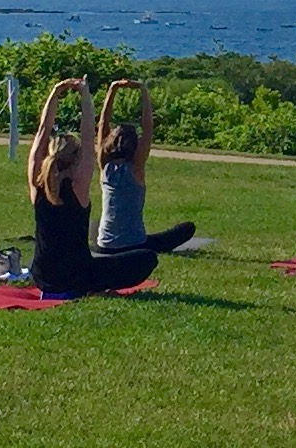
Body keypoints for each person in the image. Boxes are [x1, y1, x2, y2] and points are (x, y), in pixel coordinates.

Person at [28, 78, 158, 295]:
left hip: (42, 276)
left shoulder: (37, 184)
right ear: (76, 158)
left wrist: (56, 92)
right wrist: (85, 94)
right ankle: (93, 288)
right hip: (76, 276)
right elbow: (89, 134)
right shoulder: (78, 184)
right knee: (147, 258)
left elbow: (43, 130)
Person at [94, 79, 195, 254]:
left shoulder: (105, 166)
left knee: (96, 225)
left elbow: (103, 124)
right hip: (135, 245)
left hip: (104, 245)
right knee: (187, 228)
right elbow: (148, 128)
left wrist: (113, 89)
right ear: (134, 145)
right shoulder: (136, 169)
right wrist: (143, 90)